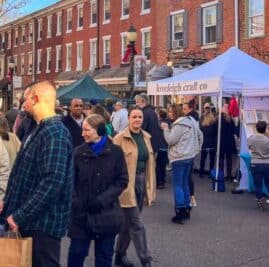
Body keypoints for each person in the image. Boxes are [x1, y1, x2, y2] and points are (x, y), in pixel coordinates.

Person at [0, 81, 74, 267]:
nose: (23, 104)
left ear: (36, 98)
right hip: (31, 224)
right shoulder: (37, 129)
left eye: (25, 99)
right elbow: (24, 176)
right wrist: (7, 202)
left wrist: (19, 215)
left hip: (43, 227)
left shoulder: (54, 133)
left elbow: (52, 183)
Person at [67, 114, 128, 267]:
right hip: (81, 215)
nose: (83, 133)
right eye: (82, 130)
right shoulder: (78, 153)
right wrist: (76, 201)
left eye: (87, 130)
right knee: (76, 255)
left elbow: (122, 180)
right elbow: (70, 182)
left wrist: (102, 201)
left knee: (104, 259)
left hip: (107, 215)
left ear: (100, 130)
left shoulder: (115, 152)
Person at [113, 106, 155, 267]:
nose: (137, 119)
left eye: (140, 117)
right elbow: (113, 163)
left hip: (141, 181)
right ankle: (146, 260)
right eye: (134, 117)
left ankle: (119, 256)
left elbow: (150, 162)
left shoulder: (146, 137)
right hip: (126, 185)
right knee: (137, 224)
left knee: (127, 224)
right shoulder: (120, 138)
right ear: (129, 119)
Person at [161, 107, 202, 224]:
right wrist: (196, 150)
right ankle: (187, 207)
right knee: (185, 183)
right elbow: (200, 135)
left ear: (175, 113)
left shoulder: (179, 125)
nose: (169, 114)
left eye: (171, 112)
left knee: (178, 185)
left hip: (179, 157)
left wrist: (165, 129)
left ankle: (180, 211)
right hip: (189, 156)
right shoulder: (192, 121)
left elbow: (170, 140)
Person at [247, 121, 269, 211]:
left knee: (258, 185)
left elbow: (249, 147)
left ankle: (260, 204)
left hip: (255, 163)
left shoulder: (251, 138)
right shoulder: (268, 140)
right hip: (268, 163)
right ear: (265, 129)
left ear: (256, 128)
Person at [182, 102, 199, 207]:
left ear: (190, 109)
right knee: (188, 176)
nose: (184, 111)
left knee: (185, 177)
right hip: (191, 150)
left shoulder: (188, 120)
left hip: (186, 151)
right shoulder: (195, 119)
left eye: (185, 109)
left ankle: (189, 199)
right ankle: (191, 198)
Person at [219, 104, 238, 180]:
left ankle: (221, 175)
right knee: (229, 159)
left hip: (222, 142)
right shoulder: (231, 120)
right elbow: (234, 131)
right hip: (229, 142)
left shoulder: (219, 120)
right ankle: (229, 176)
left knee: (221, 159)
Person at [199, 103, 217, 178]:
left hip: (205, 141)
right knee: (210, 159)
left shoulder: (202, 118)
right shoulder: (213, 118)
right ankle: (210, 173)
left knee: (204, 158)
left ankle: (202, 173)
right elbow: (216, 130)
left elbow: (200, 129)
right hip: (211, 141)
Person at [156, 109, 171, 189]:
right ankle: (163, 181)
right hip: (165, 146)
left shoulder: (157, 123)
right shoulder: (169, 122)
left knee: (158, 166)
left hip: (159, 146)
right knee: (163, 166)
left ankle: (159, 182)